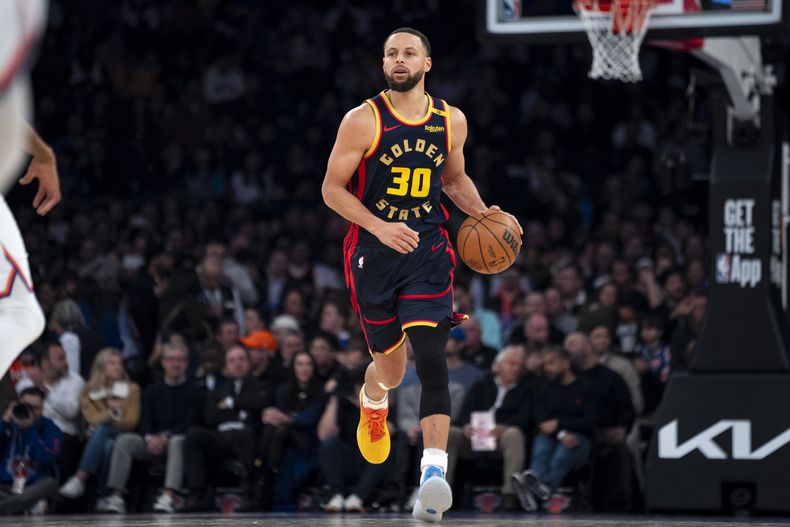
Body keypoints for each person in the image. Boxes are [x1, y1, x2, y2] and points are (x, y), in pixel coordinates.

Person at [322, 26, 522, 522]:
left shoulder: (450, 120)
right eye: (391, 53)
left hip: (429, 250)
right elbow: (331, 189)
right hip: (372, 251)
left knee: (432, 357)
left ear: (427, 63)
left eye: (409, 52)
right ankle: (373, 400)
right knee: (390, 371)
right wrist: (379, 226)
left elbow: (452, 179)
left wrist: (483, 216)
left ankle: (433, 475)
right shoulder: (362, 120)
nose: (399, 59)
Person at [98, 341, 205, 514]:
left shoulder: (196, 392)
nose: (175, 364)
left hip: (178, 441)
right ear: (163, 362)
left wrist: (166, 438)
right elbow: (144, 421)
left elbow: (192, 422)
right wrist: (150, 438)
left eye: (180, 360)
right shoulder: (151, 391)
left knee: (178, 441)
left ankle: (168, 496)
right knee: (125, 440)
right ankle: (116, 496)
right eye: (171, 359)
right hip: (152, 441)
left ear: (186, 363)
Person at [59, 349, 141, 501]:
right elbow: (91, 419)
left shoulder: (132, 389)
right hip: (100, 438)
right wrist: (111, 413)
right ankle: (104, 494)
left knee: (103, 430)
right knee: (108, 444)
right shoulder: (88, 391)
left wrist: (107, 420)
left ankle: (80, 478)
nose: (118, 367)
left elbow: (131, 422)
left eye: (120, 363)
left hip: (123, 435)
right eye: (112, 363)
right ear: (101, 366)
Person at [0, 387, 61, 515]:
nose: (31, 412)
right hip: (4, 485)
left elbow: (45, 458)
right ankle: (21, 506)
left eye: (36, 408)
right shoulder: (7, 424)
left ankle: (9, 507)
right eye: (27, 406)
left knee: (51, 483)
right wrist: (5, 421)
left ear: (43, 408)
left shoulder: (50, 428)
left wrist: (29, 429)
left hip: (32, 486)